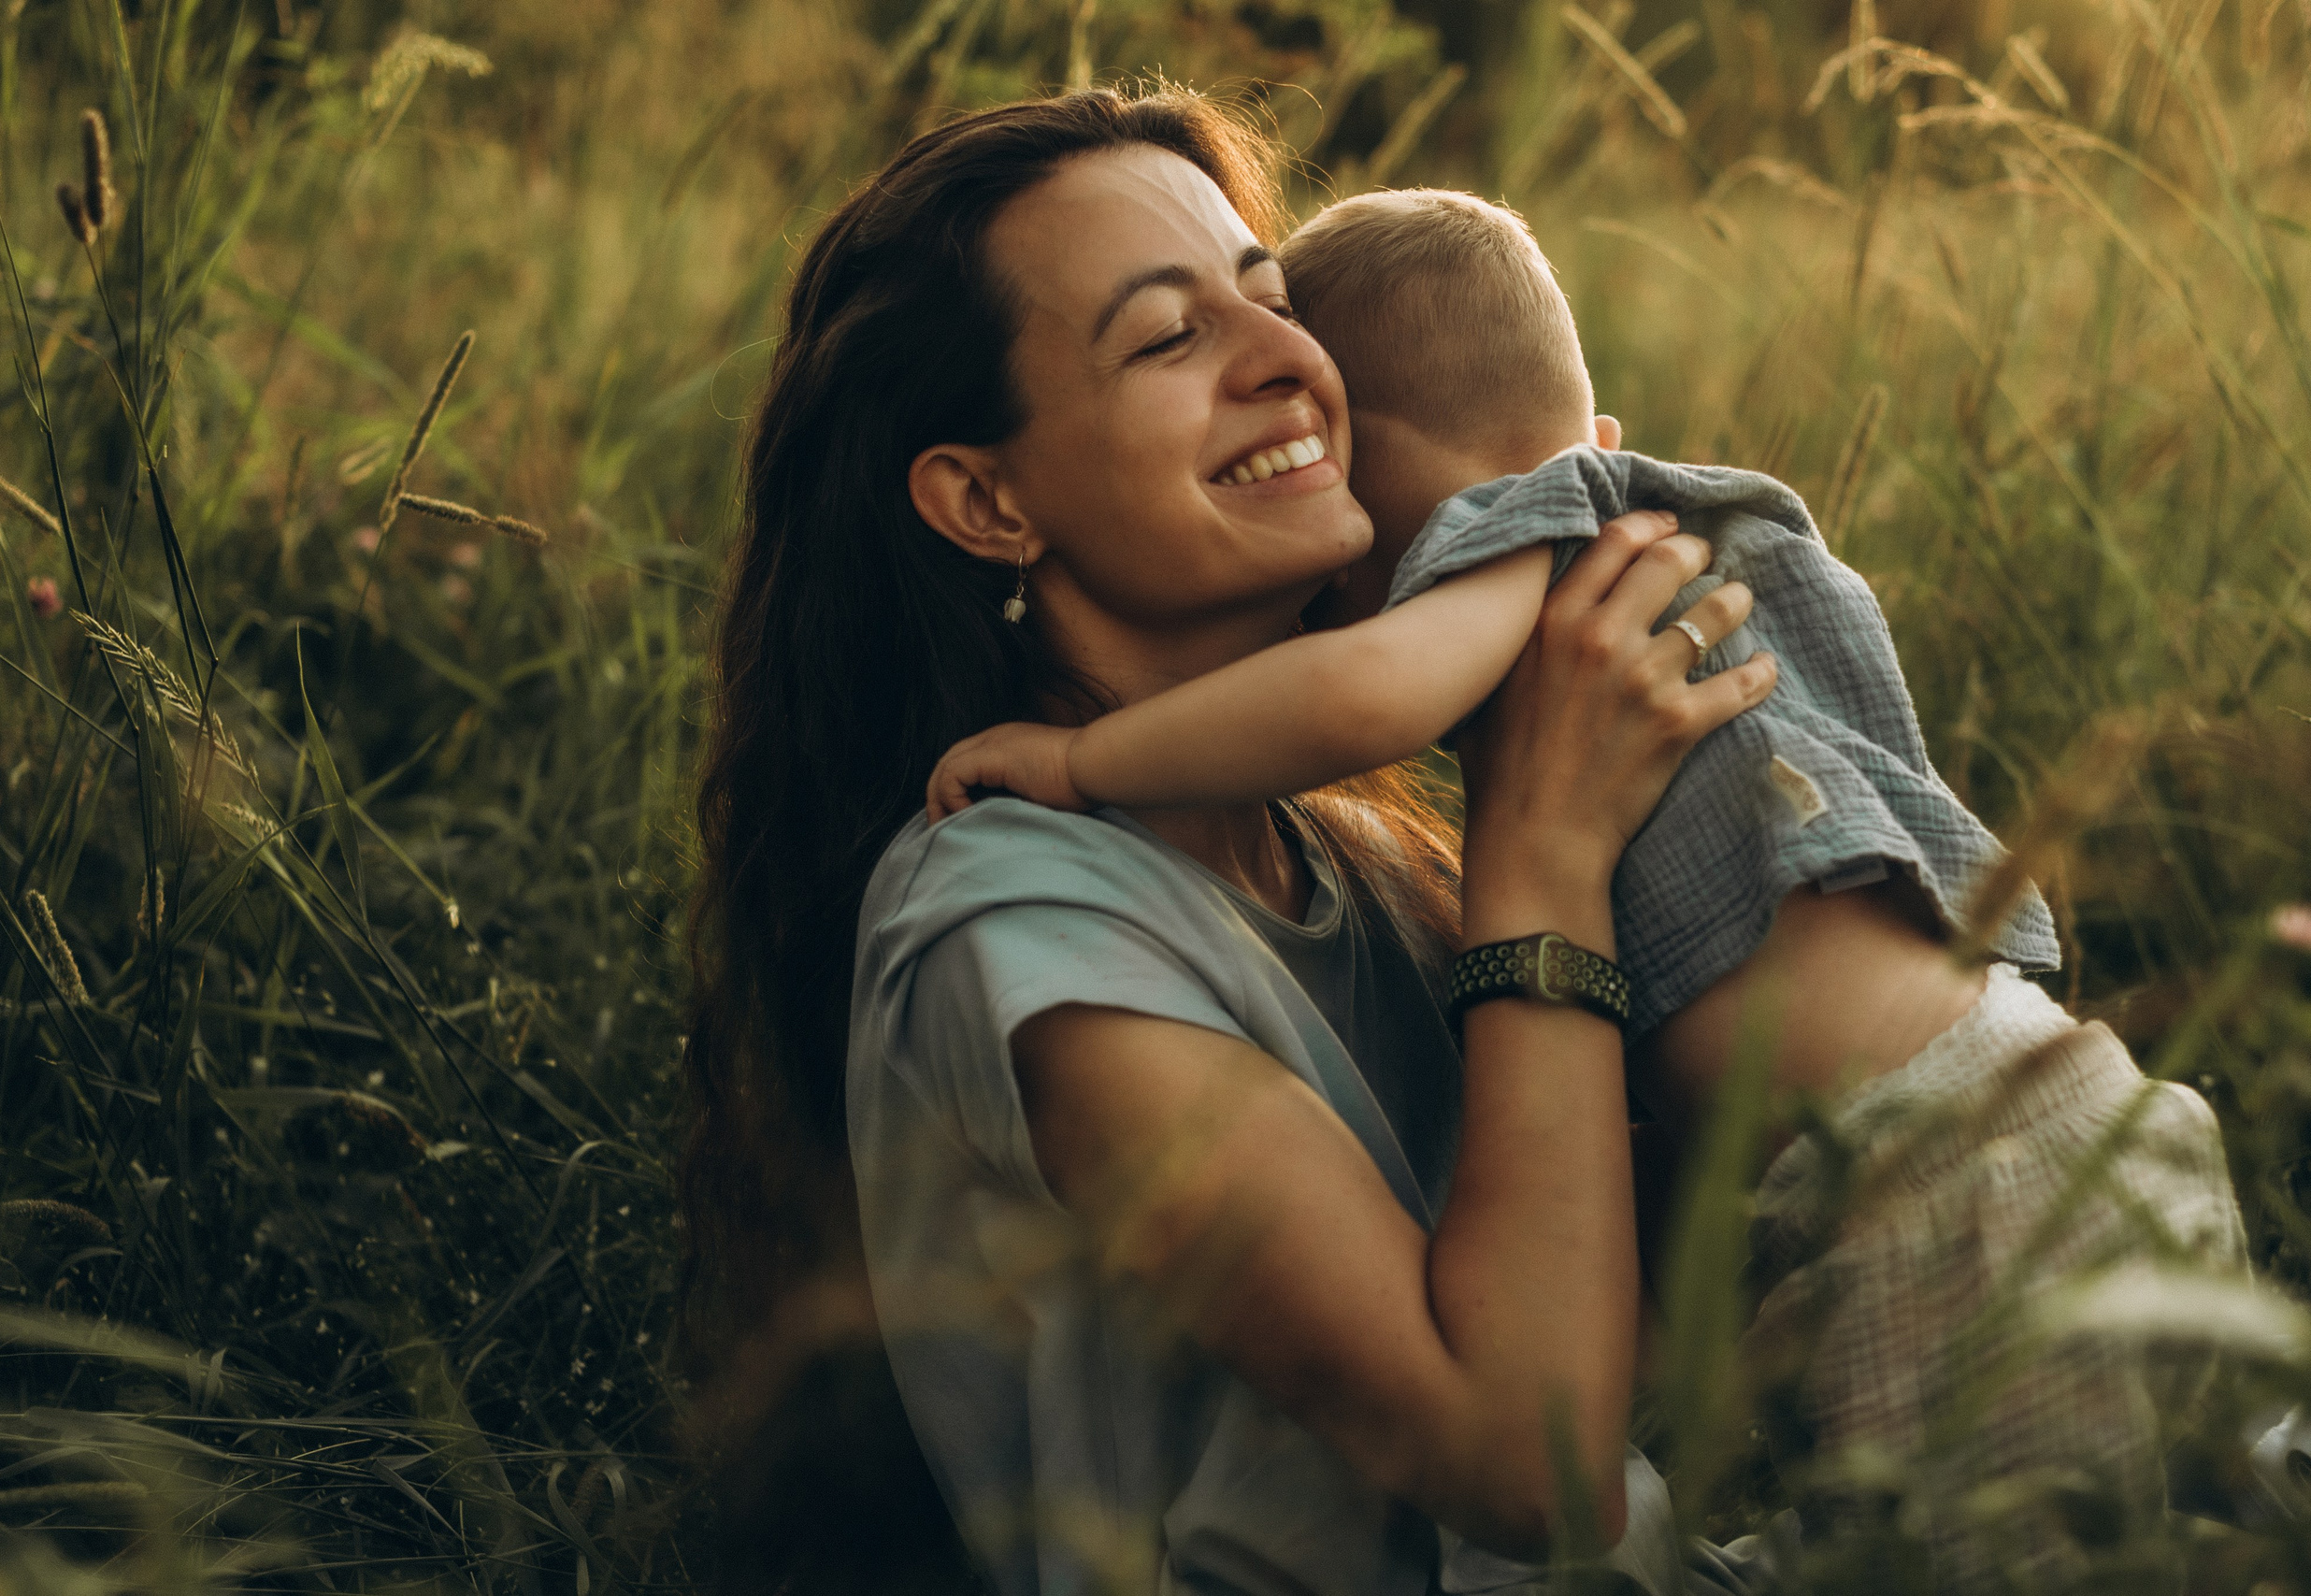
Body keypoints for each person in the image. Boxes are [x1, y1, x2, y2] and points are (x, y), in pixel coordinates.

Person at [925, 187, 2250, 1585]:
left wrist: (1082, 759)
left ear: (1383, 484)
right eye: (1166, 337)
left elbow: (1368, 691)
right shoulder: (1715, 532)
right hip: (2057, 1117)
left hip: (1950, 1202)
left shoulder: (1531, 544)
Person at [681, 91, 1783, 1596]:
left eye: (1268, 299)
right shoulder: (1013, 930)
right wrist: (1542, 847)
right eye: (1166, 339)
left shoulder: (1351, 863)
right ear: (987, 500)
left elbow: (1595, 1286)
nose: (1289, 361)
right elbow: (1528, 1467)